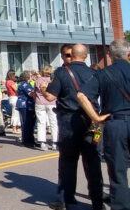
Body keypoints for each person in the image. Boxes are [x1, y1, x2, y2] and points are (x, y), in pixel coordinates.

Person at [44, 44, 103, 210]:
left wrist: (43, 89)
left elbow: (50, 96)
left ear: (70, 56)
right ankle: (97, 201)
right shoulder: (95, 73)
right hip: (93, 123)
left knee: (68, 162)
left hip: (69, 121)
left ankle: (68, 199)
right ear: (85, 56)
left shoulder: (61, 73)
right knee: (93, 160)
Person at [78, 39, 130, 210]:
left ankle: (121, 206)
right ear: (128, 54)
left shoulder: (103, 74)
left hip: (115, 122)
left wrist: (97, 117)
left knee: (117, 170)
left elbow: (81, 96)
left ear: (109, 55)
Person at [35, 65, 58, 151]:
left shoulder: (38, 80)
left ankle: (42, 143)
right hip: (51, 102)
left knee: (41, 122)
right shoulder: (53, 80)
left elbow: (35, 91)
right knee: (53, 123)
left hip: (40, 102)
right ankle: (55, 143)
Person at [16, 71, 36, 147]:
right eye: (31, 76)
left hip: (28, 105)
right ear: (27, 76)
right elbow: (30, 94)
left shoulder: (26, 84)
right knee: (26, 123)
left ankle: (31, 140)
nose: (32, 77)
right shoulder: (24, 84)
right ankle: (26, 141)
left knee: (31, 123)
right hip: (25, 105)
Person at [6, 70, 20, 134]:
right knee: (15, 113)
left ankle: (16, 127)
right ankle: (14, 127)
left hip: (11, 97)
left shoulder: (7, 82)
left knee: (15, 112)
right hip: (14, 97)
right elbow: (16, 90)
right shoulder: (11, 82)